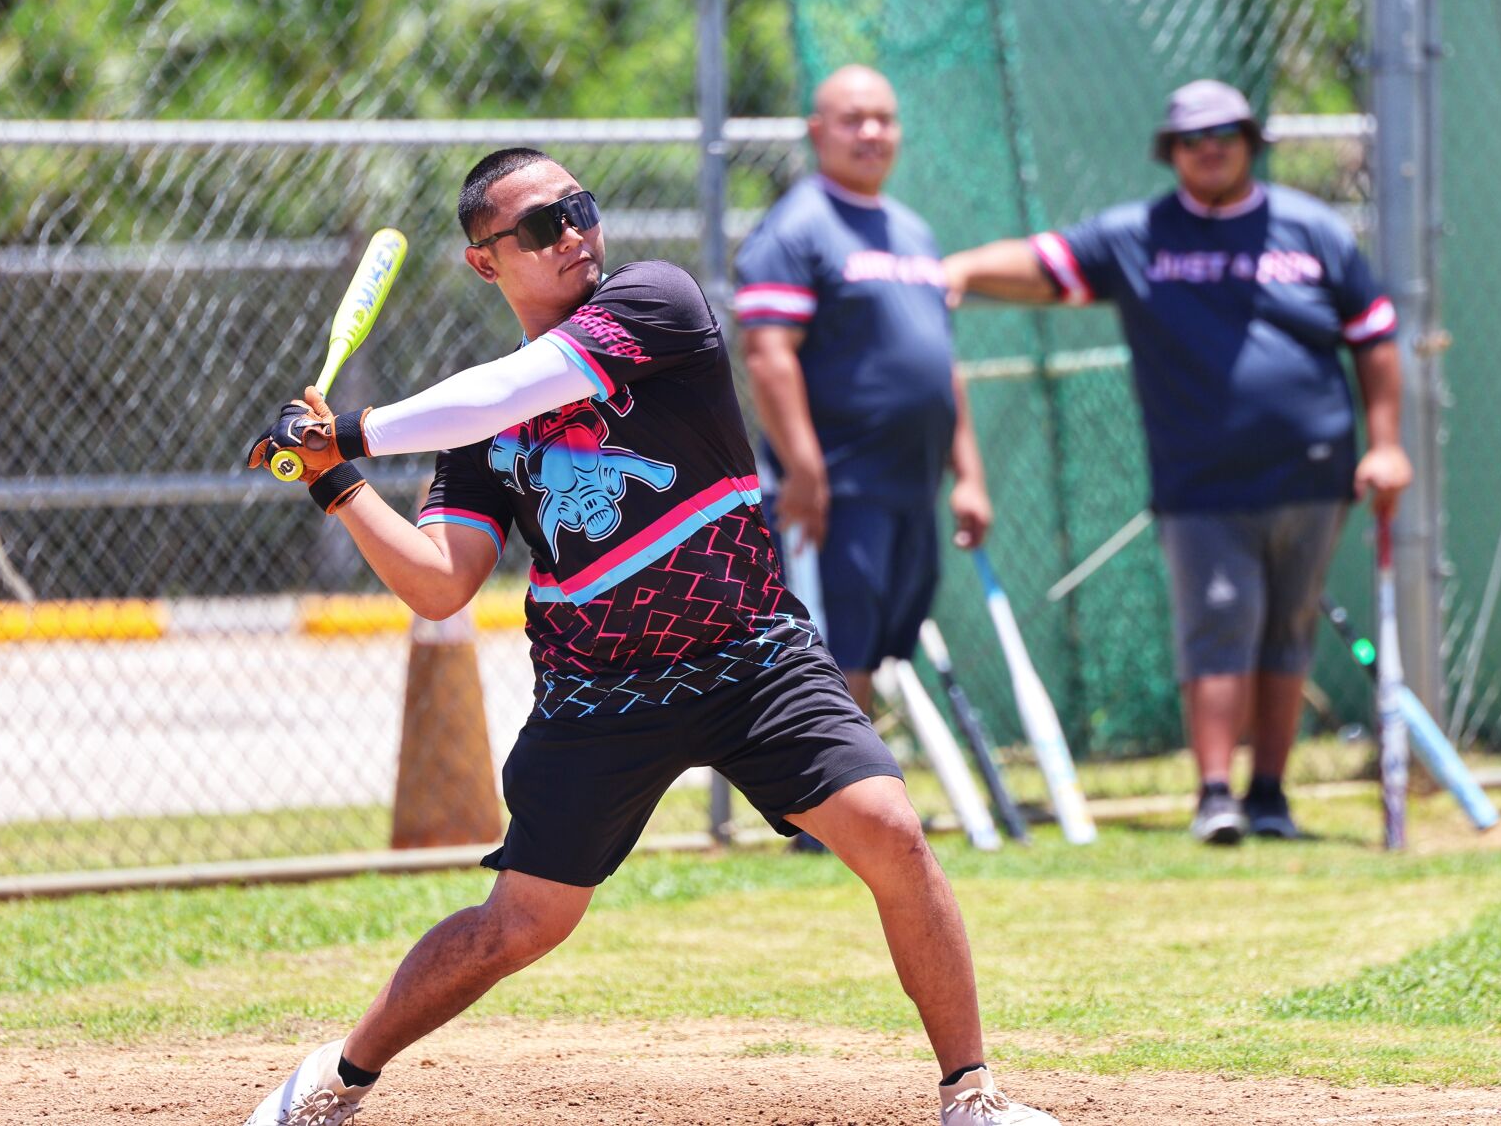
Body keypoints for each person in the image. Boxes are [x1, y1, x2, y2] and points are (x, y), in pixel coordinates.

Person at [239, 147, 1057, 1126]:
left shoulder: (653, 301)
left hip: (751, 652)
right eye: (540, 226)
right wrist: (334, 482)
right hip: (601, 696)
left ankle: (971, 1092)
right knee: (521, 923)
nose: (574, 231)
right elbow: (438, 583)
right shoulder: (473, 433)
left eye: (578, 208)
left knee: (889, 827)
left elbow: (514, 388)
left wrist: (351, 430)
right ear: (484, 261)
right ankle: (340, 1072)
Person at [941, 80, 1411, 845]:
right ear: (1172, 152)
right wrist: (955, 272)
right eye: (1192, 138)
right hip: (1202, 484)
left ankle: (1269, 795)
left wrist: (1385, 443)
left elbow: (1373, 337)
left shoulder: (1312, 228)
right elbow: (1042, 262)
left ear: (1249, 139)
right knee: (1218, 625)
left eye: (1225, 132)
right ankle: (1215, 793)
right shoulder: (1141, 235)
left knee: (1287, 633)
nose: (1210, 146)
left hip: (1312, 474)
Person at [733, 64, 992, 720]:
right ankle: (829, 816)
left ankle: (856, 809)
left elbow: (941, 363)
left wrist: (969, 474)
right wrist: (805, 469)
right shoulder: (795, 229)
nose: (870, 132)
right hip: (837, 491)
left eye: (883, 118)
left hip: (911, 487)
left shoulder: (912, 230)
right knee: (833, 653)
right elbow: (767, 356)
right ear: (817, 132)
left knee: (872, 651)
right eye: (852, 119)